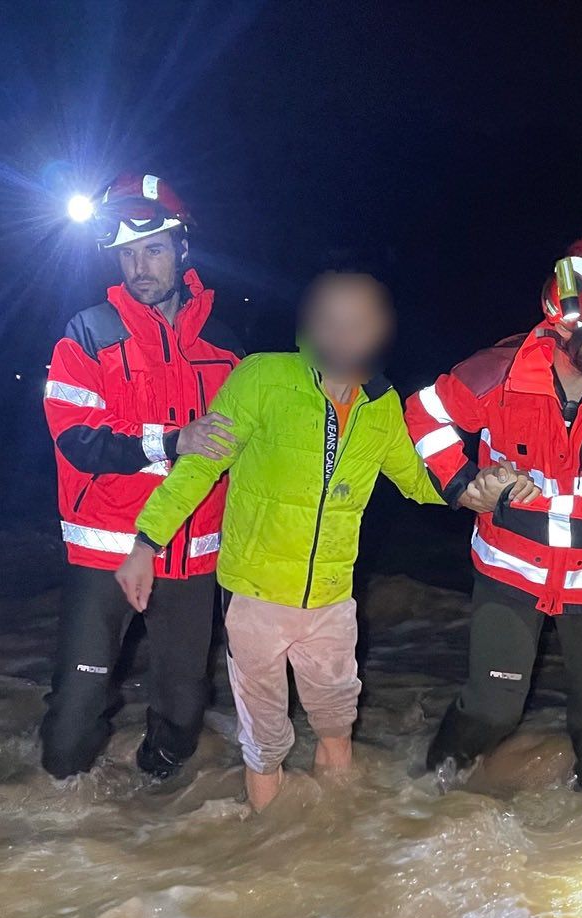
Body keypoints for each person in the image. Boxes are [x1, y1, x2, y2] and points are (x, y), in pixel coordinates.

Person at [115, 271, 520, 811]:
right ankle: (270, 847)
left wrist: (475, 491)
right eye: (334, 321)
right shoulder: (263, 377)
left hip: (331, 600)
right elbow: (198, 468)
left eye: (361, 324)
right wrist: (146, 543)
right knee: (266, 742)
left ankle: (338, 845)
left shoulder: (381, 406)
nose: (347, 336)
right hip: (255, 595)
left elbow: (416, 479)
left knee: (336, 722)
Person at [405, 238, 582, 795]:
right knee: (491, 710)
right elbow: (424, 412)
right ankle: (421, 800)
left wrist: (506, 503)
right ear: (566, 322)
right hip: (510, 576)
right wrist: (460, 483)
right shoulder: (496, 375)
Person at [38, 172, 246, 781]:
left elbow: (252, 451)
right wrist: (171, 439)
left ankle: (151, 828)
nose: (139, 266)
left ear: (184, 249)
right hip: (105, 551)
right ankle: (56, 833)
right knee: (74, 717)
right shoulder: (86, 334)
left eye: (153, 248)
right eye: (126, 254)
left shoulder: (227, 349)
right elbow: (77, 438)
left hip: (193, 555)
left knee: (184, 712)